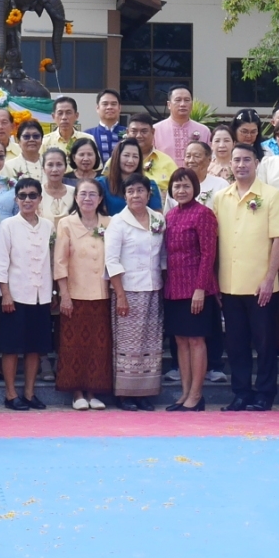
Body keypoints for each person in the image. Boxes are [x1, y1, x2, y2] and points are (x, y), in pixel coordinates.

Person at [211, 141, 279, 411]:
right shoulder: (221, 197)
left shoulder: (271, 196)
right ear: (230, 164)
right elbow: (215, 240)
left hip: (261, 285)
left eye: (247, 160)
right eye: (236, 160)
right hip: (229, 284)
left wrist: (270, 278)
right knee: (236, 344)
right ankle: (241, 393)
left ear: (257, 163)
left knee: (265, 343)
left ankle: (265, 393)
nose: (241, 165)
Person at [52, 179, 116, 410]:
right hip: (75, 293)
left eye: (92, 194)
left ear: (100, 199)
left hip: (102, 293)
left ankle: (93, 391)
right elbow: (60, 262)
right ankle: (76, 392)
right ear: (76, 197)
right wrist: (64, 295)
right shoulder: (66, 223)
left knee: (99, 344)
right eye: (83, 194)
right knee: (74, 344)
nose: (88, 198)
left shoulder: (110, 223)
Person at [105, 173, 167, 409]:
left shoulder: (158, 219)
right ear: (124, 196)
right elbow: (111, 261)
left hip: (153, 290)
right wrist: (120, 295)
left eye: (140, 190)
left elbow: (163, 256)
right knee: (128, 344)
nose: (135, 195)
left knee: (151, 343)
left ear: (148, 194)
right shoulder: (118, 222)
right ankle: (126, 395)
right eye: (130, 191)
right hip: (128, 292)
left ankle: (144, 393)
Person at [0, 178, 56, 409]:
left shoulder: (49, 226)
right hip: (15, 295)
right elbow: (1, 263)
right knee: (11, 348)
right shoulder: (8, 226)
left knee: (35, 348)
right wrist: (5, 294)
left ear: (40, 198)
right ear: (16, 199)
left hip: (41, 295)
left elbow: (52, 260)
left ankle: (29, 393)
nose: (27, 200)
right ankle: (10, 394)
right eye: (22, 196)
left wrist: (54, 292)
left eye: (32, 195)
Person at [161, 168, 219, 411]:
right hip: (174, 288)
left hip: (197, 289)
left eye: (186, 186)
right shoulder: (170, 215)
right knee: (180, 341)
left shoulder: (203, 213)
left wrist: (200, 288)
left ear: (195, 188)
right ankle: (184, 393)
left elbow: (208, 254)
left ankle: (196, 395)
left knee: (196, 340)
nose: (181, 190)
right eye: (177, 186)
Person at [102, 138, 164, 213]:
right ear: (117, 157)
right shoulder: (102, 184)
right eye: (126, 155)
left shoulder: (150, 184)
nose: (131, 160)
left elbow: (157, 216)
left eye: (135, 156)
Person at [153, 86, 213, 160]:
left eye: (187, 100)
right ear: (169, 105)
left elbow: (211, 159)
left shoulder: (204, 131)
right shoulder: (155, 130)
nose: (183, 104)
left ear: (192, 104)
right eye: (178, 100)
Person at [126, 114, 178, 189]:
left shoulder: (167, 163)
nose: (139, 136)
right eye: (134, 131)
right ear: (127, 132)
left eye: (144, 131)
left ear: (153, 132)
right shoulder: (116, 160)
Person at [3, 118, 47, 183]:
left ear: (41, 140)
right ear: (18, 141)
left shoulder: (50, 164)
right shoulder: (8, 166)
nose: (31, 139)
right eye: (26, 136)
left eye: (36, 136)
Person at [89, 89, 126, 161]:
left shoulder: (129, 133)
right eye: (105, 104)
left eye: (113, 104)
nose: (109, 107)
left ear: (119, 108)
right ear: (97, 108)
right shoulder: (88, 135)